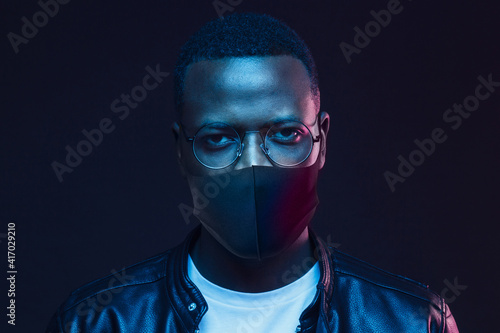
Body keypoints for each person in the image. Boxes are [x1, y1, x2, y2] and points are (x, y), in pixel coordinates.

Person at [46, 13, 459, 332]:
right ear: (181, 151)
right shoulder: (97, 322)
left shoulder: (410, 321)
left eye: (284, 134)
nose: (253, 165)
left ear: (322, 140)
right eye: (220, 138)